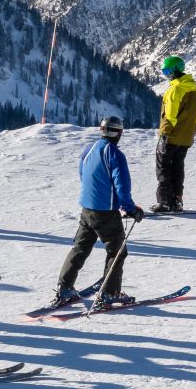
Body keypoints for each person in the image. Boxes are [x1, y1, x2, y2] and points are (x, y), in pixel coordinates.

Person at [53, 117, 144, 308]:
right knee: (117, 251)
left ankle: (65, 288)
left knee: (80, 248)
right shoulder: (115, 155)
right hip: (106, 212)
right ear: (119, 133)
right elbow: (122, 185)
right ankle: (110, 293)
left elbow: (83, 175)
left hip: (87, 209)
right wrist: (130, 209)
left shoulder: (89, 149)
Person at [150, 56, 196, 213]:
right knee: (178, 167)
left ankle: (164, 201)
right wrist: (191, 133)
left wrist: (164, 135)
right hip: (186, 137)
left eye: (167, 71)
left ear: (176, 70)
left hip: (171, 135)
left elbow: (170, 116)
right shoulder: (194, 88)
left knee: (163, 167)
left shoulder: (176, 89)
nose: (166, 75)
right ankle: (177, 201)